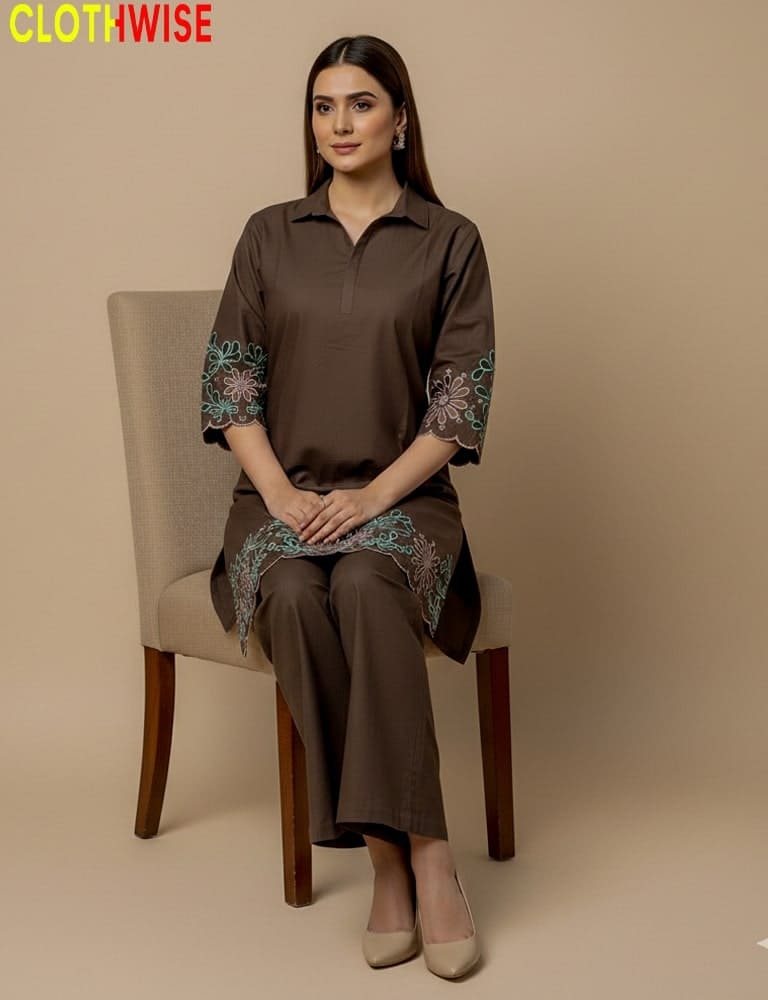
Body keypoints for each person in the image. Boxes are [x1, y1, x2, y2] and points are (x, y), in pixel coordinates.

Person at [200, 34, 495, 979]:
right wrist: (284, 496)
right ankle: (387, 862)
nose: (340, 124)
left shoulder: (450, 240)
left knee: (368, 584)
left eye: (361, 104)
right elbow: (230, 385)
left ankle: (431, 856)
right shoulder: (267, 233)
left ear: (400, 118)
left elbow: (459, 404)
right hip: (277, 503)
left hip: (403, 498)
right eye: (324, 107)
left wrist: (370, 495)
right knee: (291, 596)